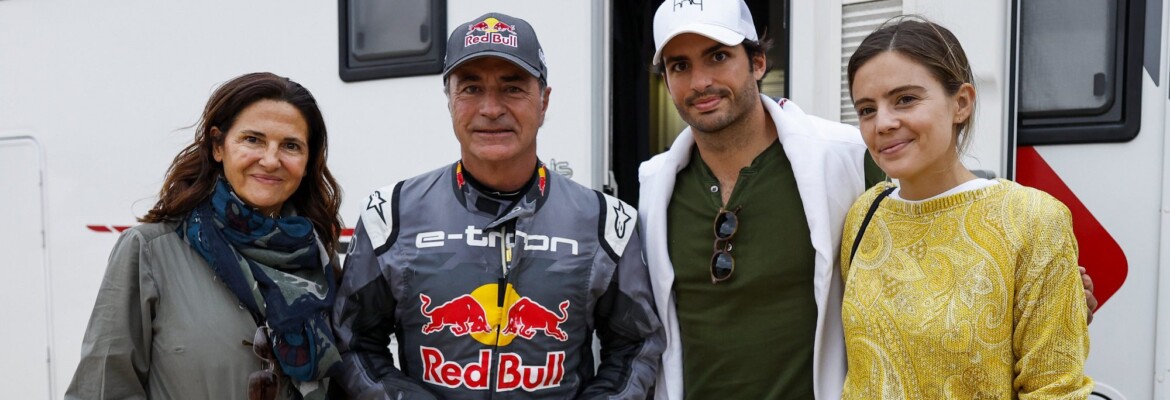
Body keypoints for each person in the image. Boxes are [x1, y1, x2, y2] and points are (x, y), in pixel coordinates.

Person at [636, 1, 1097, 399]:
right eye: (679, 66)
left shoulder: (846, 160)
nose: (700, 80)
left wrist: (1050, 302)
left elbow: (1051, 381)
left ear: (757, 62)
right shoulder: (657, 184)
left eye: (718, 56)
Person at [331, 12, 663, 400]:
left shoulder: (604, 222)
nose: (491, 108)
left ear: (544, 100)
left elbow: (636, 347)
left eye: (513, 88)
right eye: (471, 88)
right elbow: (353, 343)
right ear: (449, 101)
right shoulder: (390, 216)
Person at [839, 17, 1092, 398]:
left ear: (961, 103)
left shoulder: (1033, 219)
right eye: (867, 110)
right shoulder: (865, 213)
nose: (883, 123)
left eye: (905, 99)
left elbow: (1054, 388)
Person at [66, 72, 344, 400]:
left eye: (290, 146)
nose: (271, 160)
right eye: (252, 140)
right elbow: (102, 390)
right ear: (217, 146)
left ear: (308, 161)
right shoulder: (150, 251)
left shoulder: (318, 256)